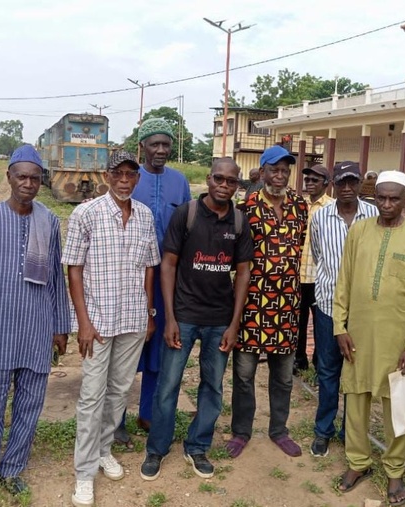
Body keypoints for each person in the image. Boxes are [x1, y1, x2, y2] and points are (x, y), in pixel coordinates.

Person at [0, 144, 70, 506]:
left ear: (42, 182)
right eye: (21, 176)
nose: (27, 184)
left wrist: (60, 327)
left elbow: (56, 277)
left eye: (34, 178)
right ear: (9, 176)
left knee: (29, 407)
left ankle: (12, 470)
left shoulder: (49, 221)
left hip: (36, 330)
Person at [141, 157, 253, 481]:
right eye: (218, 178)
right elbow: (168, 265)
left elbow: (243, 272)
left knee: (213, 388)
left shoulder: (239, 222)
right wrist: (170, 318)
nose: (223, 185)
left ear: (237, 185)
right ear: (208, 179)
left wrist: (234, 324)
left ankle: (197, 445)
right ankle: (156, 449)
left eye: (231, 181)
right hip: (185, 317)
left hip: (220, 320)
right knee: (168, 386)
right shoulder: (186, 214)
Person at [64, 150, 159, 506]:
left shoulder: (144, 216)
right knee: (91, 396)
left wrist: (149, 312)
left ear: (137, 179)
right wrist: (83, 322)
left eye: (130, 175)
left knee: (119, 391)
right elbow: (73, 268)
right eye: (117, 173)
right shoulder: (85, 213)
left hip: (133, 319)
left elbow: (150, 265)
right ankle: (84, 472)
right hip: (99, 322)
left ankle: (104, 449)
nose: (123, 180)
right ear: (106, 176)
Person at [333, 171, 405, 505]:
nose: (387, 204)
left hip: (397, 339)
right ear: (373, 197)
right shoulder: (359, 231)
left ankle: (394, 471)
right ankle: (358, 462)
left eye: (394, 198)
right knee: (356, 402)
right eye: (381, 198)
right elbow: (343, 280)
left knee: (397, 408)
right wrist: (339, 327)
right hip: (358, 334)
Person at [226, 145, 308, 459]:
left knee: (284, 376)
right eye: (274, 169)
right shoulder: (245, 206)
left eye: (285, 169)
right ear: (262, 172)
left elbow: (298, 247)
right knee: (244, 374)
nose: (280, 174)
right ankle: (241, 431)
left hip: (287, 305)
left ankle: (279, 430)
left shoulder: (300, 205)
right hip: (251, 305)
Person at [115, 118, 190, 439]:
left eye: (166, 144)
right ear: (142, 146)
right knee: (125, 347)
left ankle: (148, 415)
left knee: (160, 348)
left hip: (168, 279)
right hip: (129, 277)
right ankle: (115, 421)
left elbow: (188, 225)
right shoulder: (130, 179)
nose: (160, 150)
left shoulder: (180, 181)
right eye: (154, 144)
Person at [309, 161, 378, 458]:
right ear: (333, 183)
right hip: (327, 307)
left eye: (353, 182)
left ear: (361, 182)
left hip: (363, 311)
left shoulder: (374, 215)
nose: (347, 188)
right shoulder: (321, 217)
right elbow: (317, 253)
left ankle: (351, 431)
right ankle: (323, 430)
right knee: (328, 371)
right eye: (342, 182)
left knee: (357, 371)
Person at [295, 163, 334, 373]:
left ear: (326, 184)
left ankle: (320, 362)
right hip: (299, 275)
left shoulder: (332, 207)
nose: (309, 183)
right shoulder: (299, 205)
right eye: (307, 180)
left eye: (314, 180)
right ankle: (299, 358)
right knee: (298, 321)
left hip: (320, 276)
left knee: (321, 322)